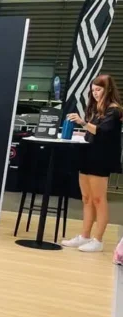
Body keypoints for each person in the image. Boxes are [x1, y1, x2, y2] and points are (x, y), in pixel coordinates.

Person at [62, 74, 123, 252]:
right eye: (93, 90)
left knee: (98, 199)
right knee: (86, 198)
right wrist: (81, 133)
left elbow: (103, 131)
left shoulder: (115, 110)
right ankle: (85, 235)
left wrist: (82, 122)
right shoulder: (98, 109)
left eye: (98, 90)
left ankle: (98, 239)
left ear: (108, 89)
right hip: (88, 155)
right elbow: (93, 133)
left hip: (101, 159)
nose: (95, 93)